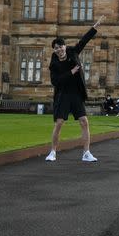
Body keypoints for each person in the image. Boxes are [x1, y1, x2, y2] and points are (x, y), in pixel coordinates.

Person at [46, 15, 104, 163]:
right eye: (56, 48)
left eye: (61, 47)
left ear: (65, 47)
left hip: (76, 93)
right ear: (54, 50)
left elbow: (84, 41)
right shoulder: (54, 64)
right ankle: (52, 152)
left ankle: (86, 153)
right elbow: (55, 81)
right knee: (59, 123)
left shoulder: (72, 52)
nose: (59, 50)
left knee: (84, 121)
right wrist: (70, 72)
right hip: (63, 94)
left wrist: (95, 27)